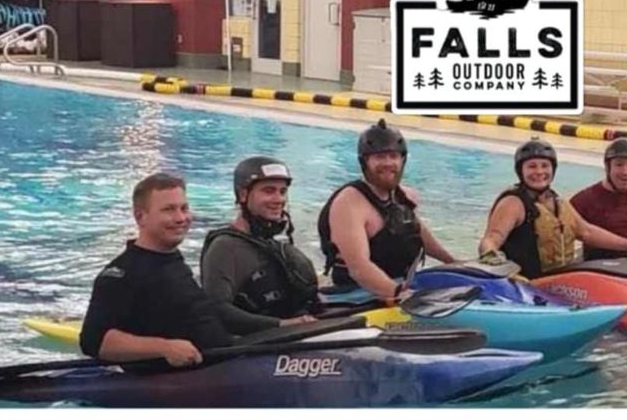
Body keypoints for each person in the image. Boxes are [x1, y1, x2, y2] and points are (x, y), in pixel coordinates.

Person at [79, 173, 234, 368]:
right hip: (183, 380)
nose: (181, 218)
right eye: (169, 210)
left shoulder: (170, 259)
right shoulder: (121, 274)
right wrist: (165, 348)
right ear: (140, 217)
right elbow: (93, 342)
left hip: (222, 361)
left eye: (184, 208)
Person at [478, 138, 627, 278]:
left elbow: (587, 232)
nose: (539, 172)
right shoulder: (513, 203)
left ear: (553, 169)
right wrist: (493, 259)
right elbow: (491, 239)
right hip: (525, 284)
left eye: (545, 166)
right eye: (531, 167)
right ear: (521, 171)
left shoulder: (557, 202)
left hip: (557, 282)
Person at [318, 119, 456, 299]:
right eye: (380, 157)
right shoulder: (349, 203)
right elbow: (359, 268)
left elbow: (418, 232)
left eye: (393, 156)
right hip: (356, 295)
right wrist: (400, 295)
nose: (388, 163)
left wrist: (454, 263)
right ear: (365, 162)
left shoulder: (405, 196)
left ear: (402, 160)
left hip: (399, 285)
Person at [200, 157, 320, 336]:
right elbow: (218, 310)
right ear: (243, 195)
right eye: (269, 191)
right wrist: (282, 325)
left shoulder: (272, 246)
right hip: (251, 348)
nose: (279, 199)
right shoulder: (224, 247)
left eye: (282, 191)